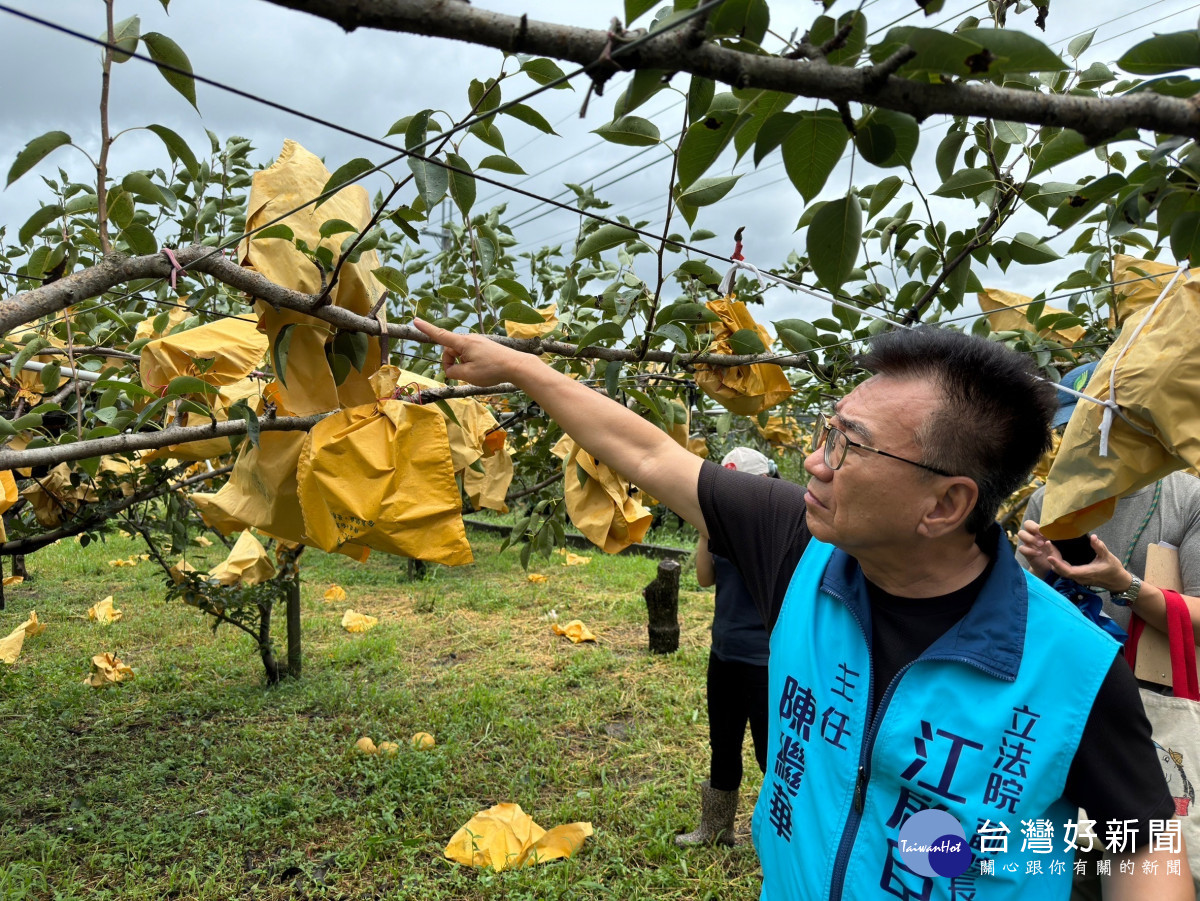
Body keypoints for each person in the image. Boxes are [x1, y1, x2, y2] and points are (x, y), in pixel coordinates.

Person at [415, 319, 1189, 900]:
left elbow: (1145, 842)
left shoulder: (1074, 668)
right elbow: (650, 454)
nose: (817, 461)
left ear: (945, 503)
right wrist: (520, 366)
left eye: (850, 446)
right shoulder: (800, 543)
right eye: (827, 430)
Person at [1018, 364, 1200, 643]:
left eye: (1098, 427)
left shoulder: (1189, 498)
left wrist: (1124, 585)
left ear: (1135, 423)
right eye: (1073, 429)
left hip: (1156, 686)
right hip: (1073, 678)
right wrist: (1041, 571)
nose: (1086, 441)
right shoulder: (1048, 501)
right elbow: (1015, 610)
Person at [677, 446, 774, 848]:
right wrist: (705, 531)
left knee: (771, 752)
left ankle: (775, 833)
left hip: (767, 661)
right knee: (724, 742)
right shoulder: (721, 528)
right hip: (725, 652)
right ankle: (716, 830)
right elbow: (703, 579)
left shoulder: (775, 530)